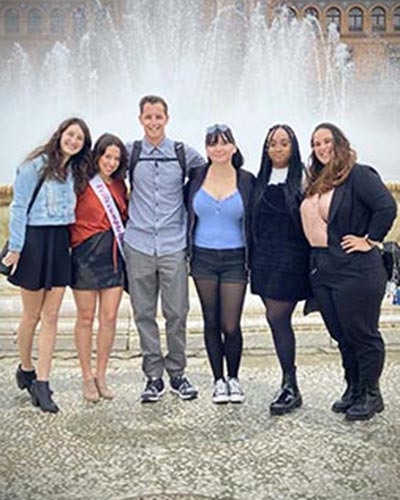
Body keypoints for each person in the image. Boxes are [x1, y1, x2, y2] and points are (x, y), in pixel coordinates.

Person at [301, 123, 397, 421]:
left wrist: (370, 240)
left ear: (340, 143)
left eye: (327, 141)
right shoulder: (318, 180)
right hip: (324, 266)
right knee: (341, 334)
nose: (322, 148)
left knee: (362, 333)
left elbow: (386, 207)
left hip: (356, 268)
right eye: (317, 143)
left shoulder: (357, 174)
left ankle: (371, 393)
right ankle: (353, 388)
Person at [2, 117, 92, 413]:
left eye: (79, 139)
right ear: (60, 134)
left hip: (59, 241)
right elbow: (17, 207)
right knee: (31, 315)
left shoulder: (75, 171)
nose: (74, 141)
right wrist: (15, 248)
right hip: (35, 241)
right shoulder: (35, 165)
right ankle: (25, 368)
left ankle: (42, 382)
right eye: (71, 135)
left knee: (51, 316)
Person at [124, 95, 204, 403]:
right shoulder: (131, 152)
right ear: (140, 119)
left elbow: (216, 169)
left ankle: (178, 373)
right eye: (148, 117)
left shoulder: (184, 153)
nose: (154, 122)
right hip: (139, 244)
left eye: (159, 117)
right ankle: (153, 377)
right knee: (143, 312)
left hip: (173, 244)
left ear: (167, 118)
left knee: (177, 312)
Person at [186, 124, 255, 403]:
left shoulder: (247, 180)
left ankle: (234, 378)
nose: (219, 148)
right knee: (210, 321)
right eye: (213, 144)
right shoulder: (196, 177)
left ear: (234, 147)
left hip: (235, 259)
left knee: (231, 324)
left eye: (224, 143)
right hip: (202, 257)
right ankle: (218, 380)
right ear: (207, 149)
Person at [250, 124, 311, 415]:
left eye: (284, 143)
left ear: (293, 147)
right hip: (264, 260)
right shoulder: (259, 178)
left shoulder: (304, 178)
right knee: (276, 320)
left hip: (292, 257)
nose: (277, 149)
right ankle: (289, 382)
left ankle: (290, 384)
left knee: (277, 316)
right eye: (272, 143)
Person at [70, 133, 128, 403]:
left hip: (113, 258)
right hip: (85, 257)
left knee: (109, 319)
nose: (112, 162)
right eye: (108, 156)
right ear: (98, 156)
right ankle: (85, 377)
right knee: (85, 318)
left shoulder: (119, 186)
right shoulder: (81, 183)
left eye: (116, 158)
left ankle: (101, 375)